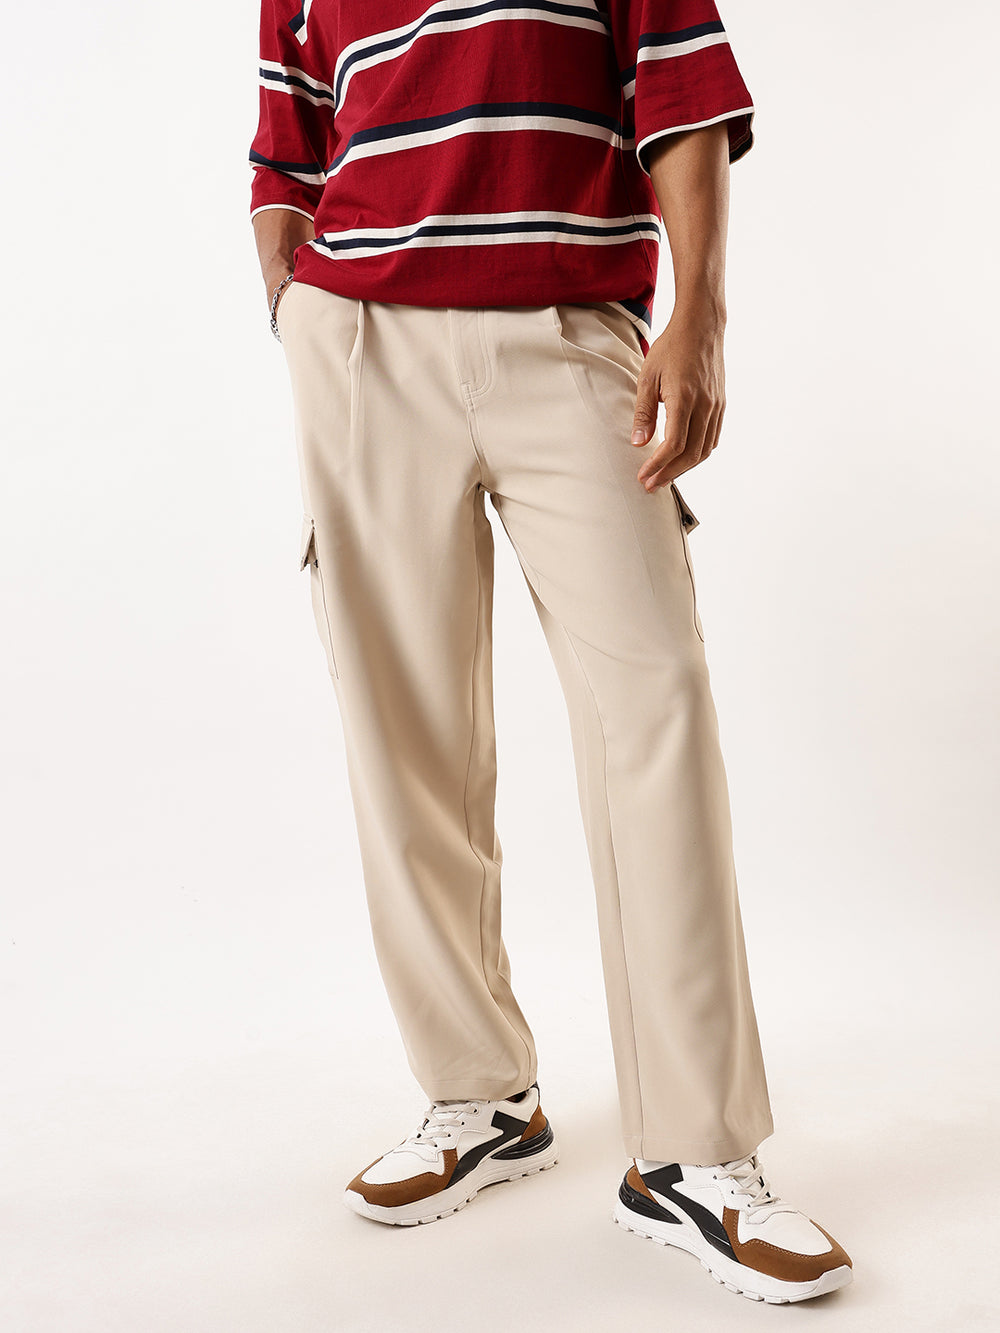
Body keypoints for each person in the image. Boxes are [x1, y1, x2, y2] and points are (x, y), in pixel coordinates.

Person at [249, 0, 853, 1305]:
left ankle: (692, 1150)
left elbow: (679, 89)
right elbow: (285, 146)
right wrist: (297, 316)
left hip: (571, 331)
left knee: (655, 707)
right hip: (360, 346)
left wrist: (700, 314)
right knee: (403, 736)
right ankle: (480, 1092)